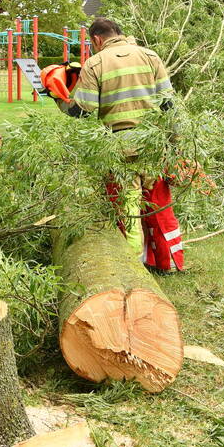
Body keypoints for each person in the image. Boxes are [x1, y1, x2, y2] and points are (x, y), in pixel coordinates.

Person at [48, 18, 184, 272]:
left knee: (126, 210)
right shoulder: (150, 56)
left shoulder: (95, 63)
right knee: (159, 206)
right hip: (153, 145)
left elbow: (83, 111)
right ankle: (169, 263)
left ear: (97, 39)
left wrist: (58, 98)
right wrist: (175, 146)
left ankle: (132, 269)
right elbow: (169, 105)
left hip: (118, 150)